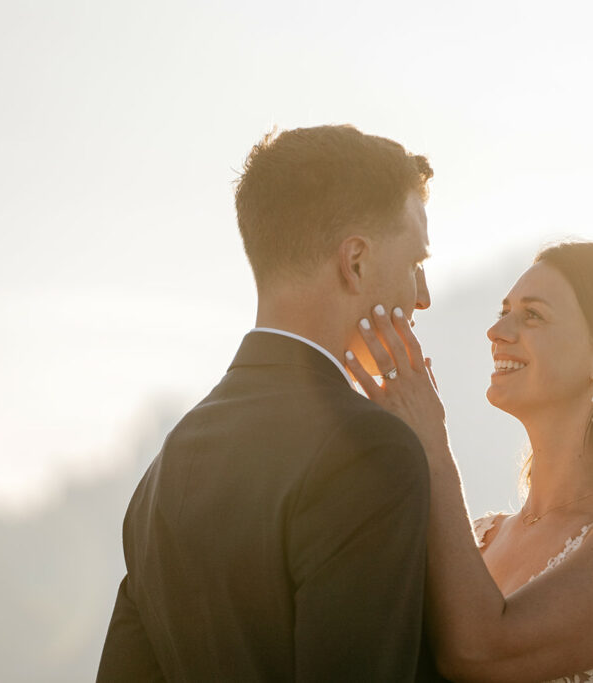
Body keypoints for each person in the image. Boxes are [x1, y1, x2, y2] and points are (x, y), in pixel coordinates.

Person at [98, 125, 446, 681]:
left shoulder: (165, 471)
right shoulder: (370, 451)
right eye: (414, 264)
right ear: (354, 262)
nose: (422, 295)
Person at [346, 241, 593, 683]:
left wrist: (431, 444)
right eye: (503, 310)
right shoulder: (482, 537)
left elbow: (482, 654)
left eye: (532, 315)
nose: (496, 332)